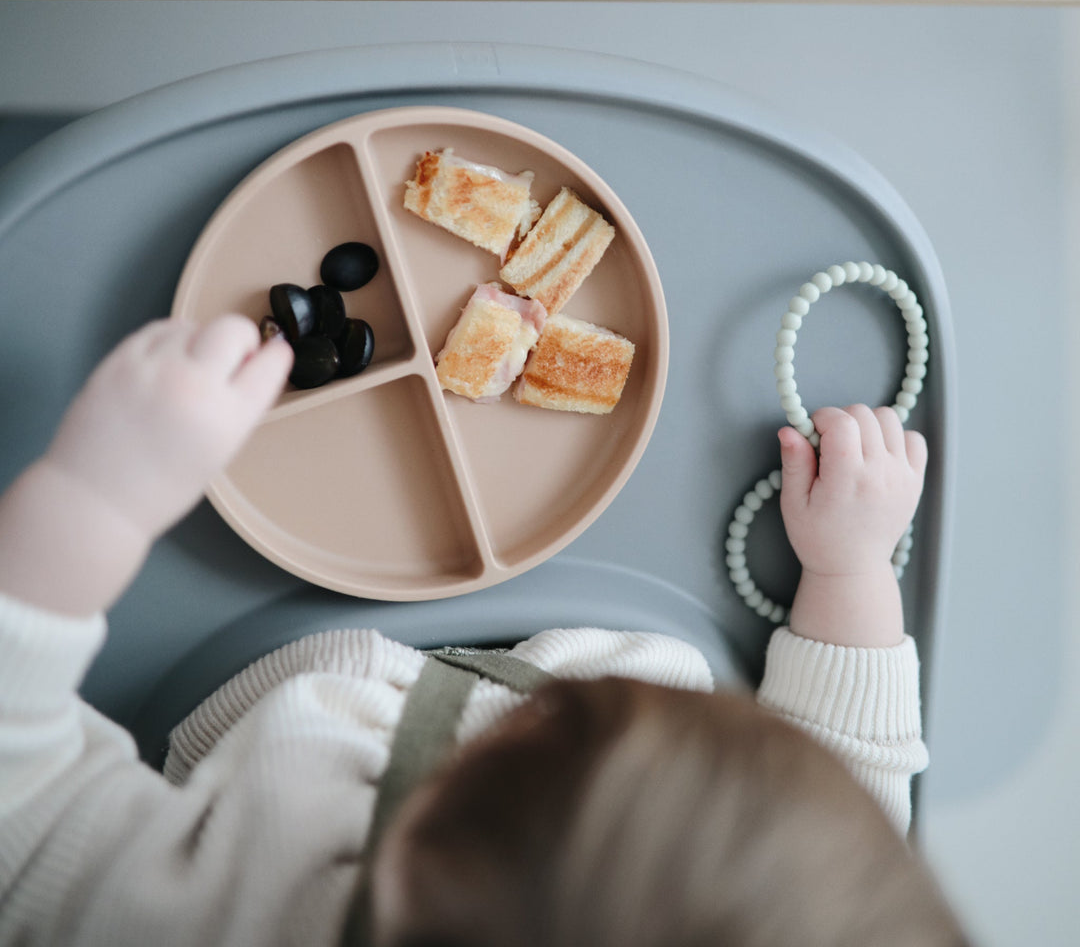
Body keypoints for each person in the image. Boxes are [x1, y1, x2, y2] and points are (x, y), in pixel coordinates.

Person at [0, 315, 968, 946]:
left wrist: (97, 497)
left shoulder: (212, 920)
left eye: (514, 751)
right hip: (622, 582)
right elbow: (853, 760)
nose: (549, 711)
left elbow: (20, 802)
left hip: (240, 637)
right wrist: (851, 565)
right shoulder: (821, 890)